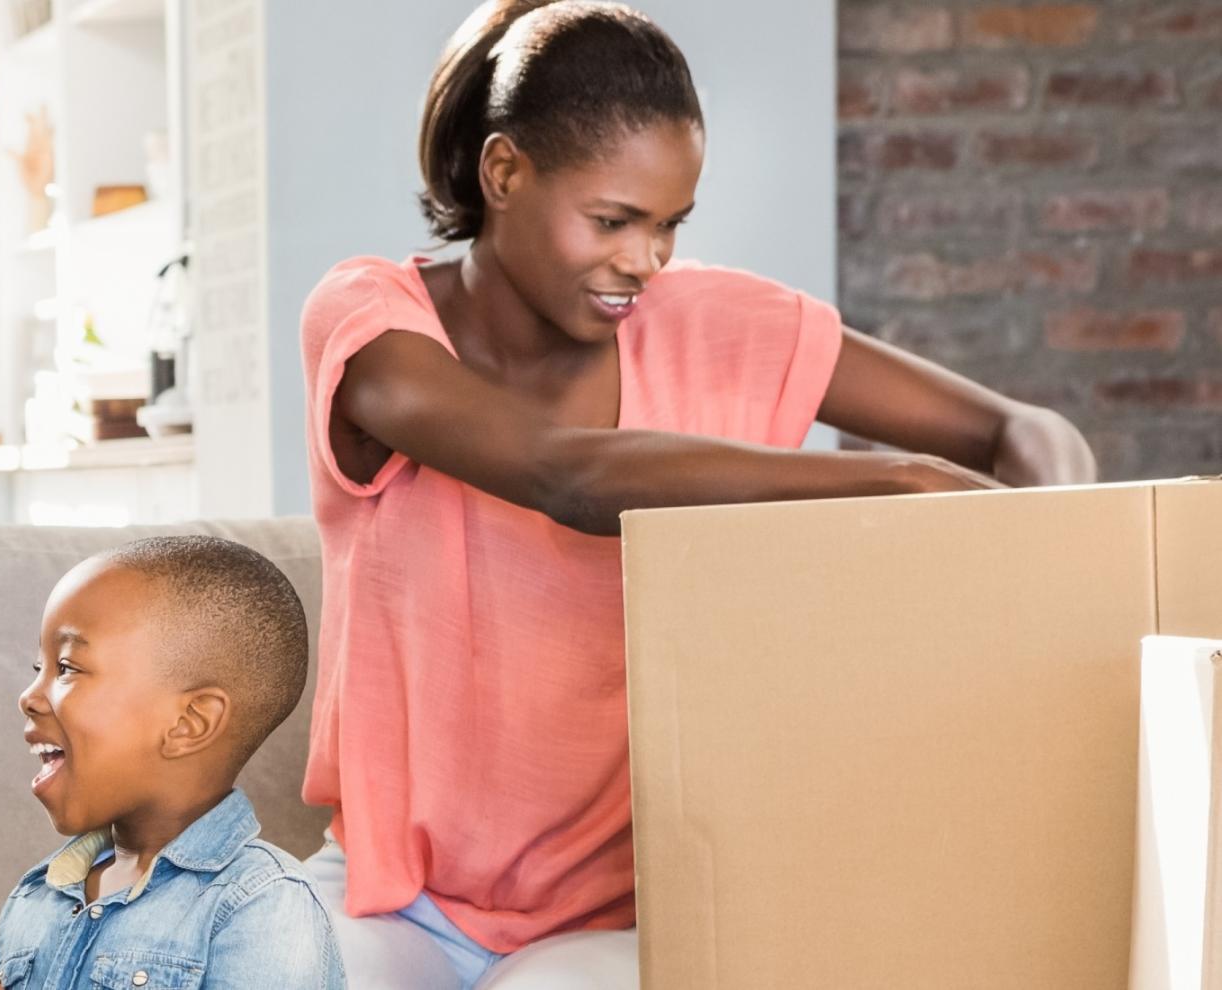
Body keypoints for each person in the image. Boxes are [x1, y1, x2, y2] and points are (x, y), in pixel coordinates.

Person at [297, 2, 1096, 986]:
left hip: (628, 914)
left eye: (671, 224)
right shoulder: (371, 324)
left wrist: (1065, 542)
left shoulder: (715, 324)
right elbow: (564, 471)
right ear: (505, 173)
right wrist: (896, 480)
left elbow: (1017, 429)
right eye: (613, 220)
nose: (647, 261)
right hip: (395, 898)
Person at [0, 537, 344, 990]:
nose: (28, 696)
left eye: (65, 668)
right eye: (38, 669)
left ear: (189, 723)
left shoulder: (261, 905)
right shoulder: (38, 896)